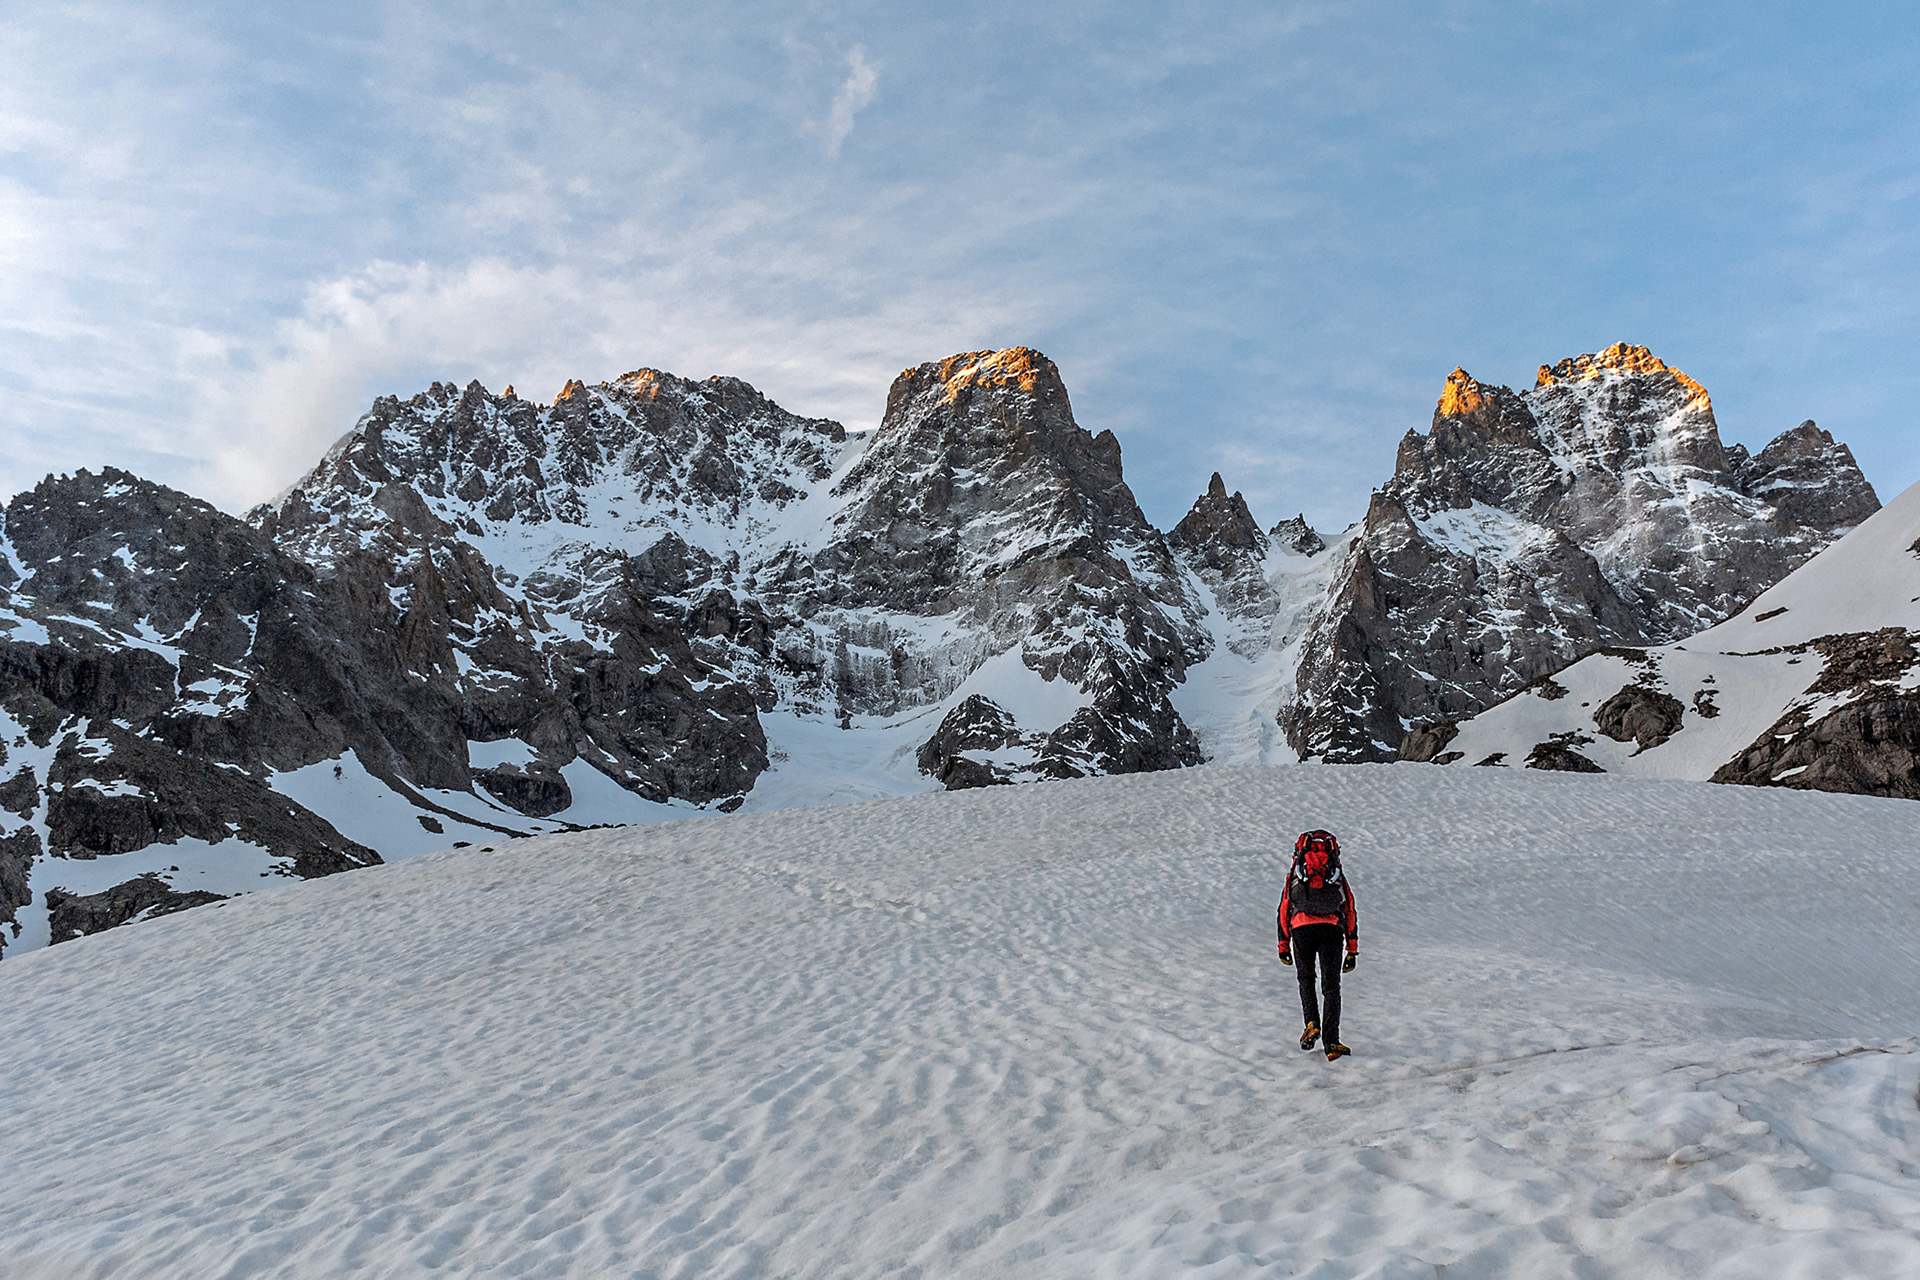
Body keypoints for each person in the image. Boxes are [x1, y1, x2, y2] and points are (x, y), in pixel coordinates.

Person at [1278, 829, 1359, 1061]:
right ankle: (1331, 1042)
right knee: (1331, 987)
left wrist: (1283, 944)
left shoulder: (1296, 873)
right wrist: (1352, 949)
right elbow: (1349, 908)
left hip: (1301, 929)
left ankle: (1311, 1022)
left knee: (1306, 978)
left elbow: (1284, 907)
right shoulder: (1335, 875)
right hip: (1331, 930)